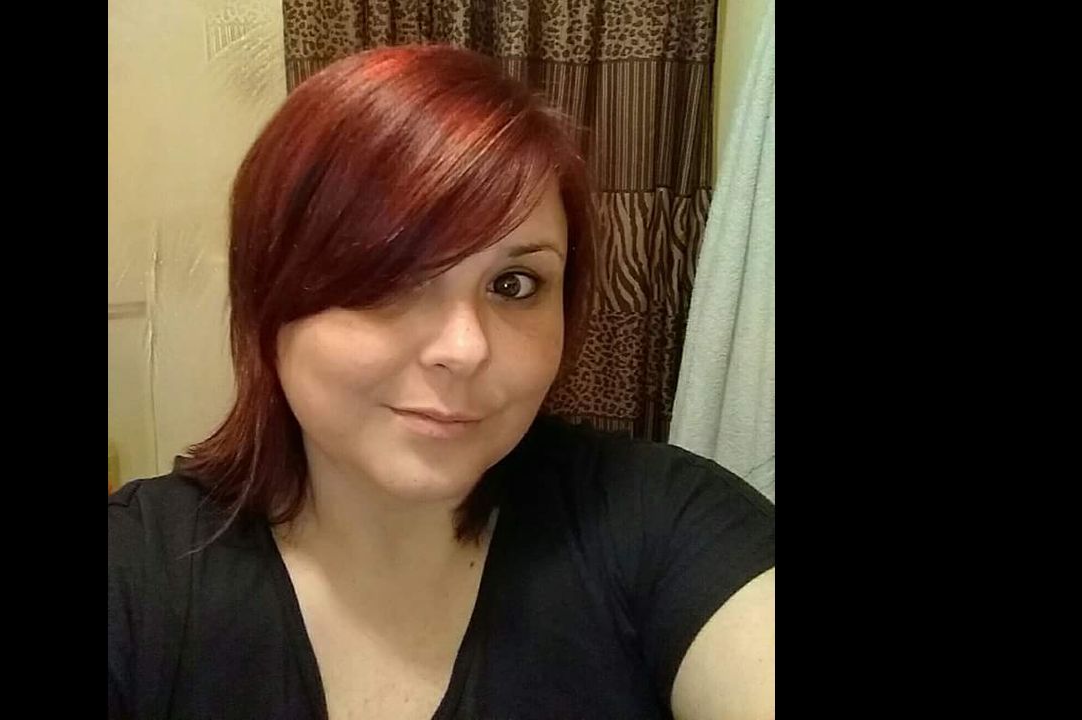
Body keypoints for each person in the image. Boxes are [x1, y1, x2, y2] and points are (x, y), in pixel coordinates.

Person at [108, 43, 774, 720]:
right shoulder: (137, 572)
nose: (466, 349)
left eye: (514, 284)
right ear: (267, 299)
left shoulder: (666, 523)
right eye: (392, 278)